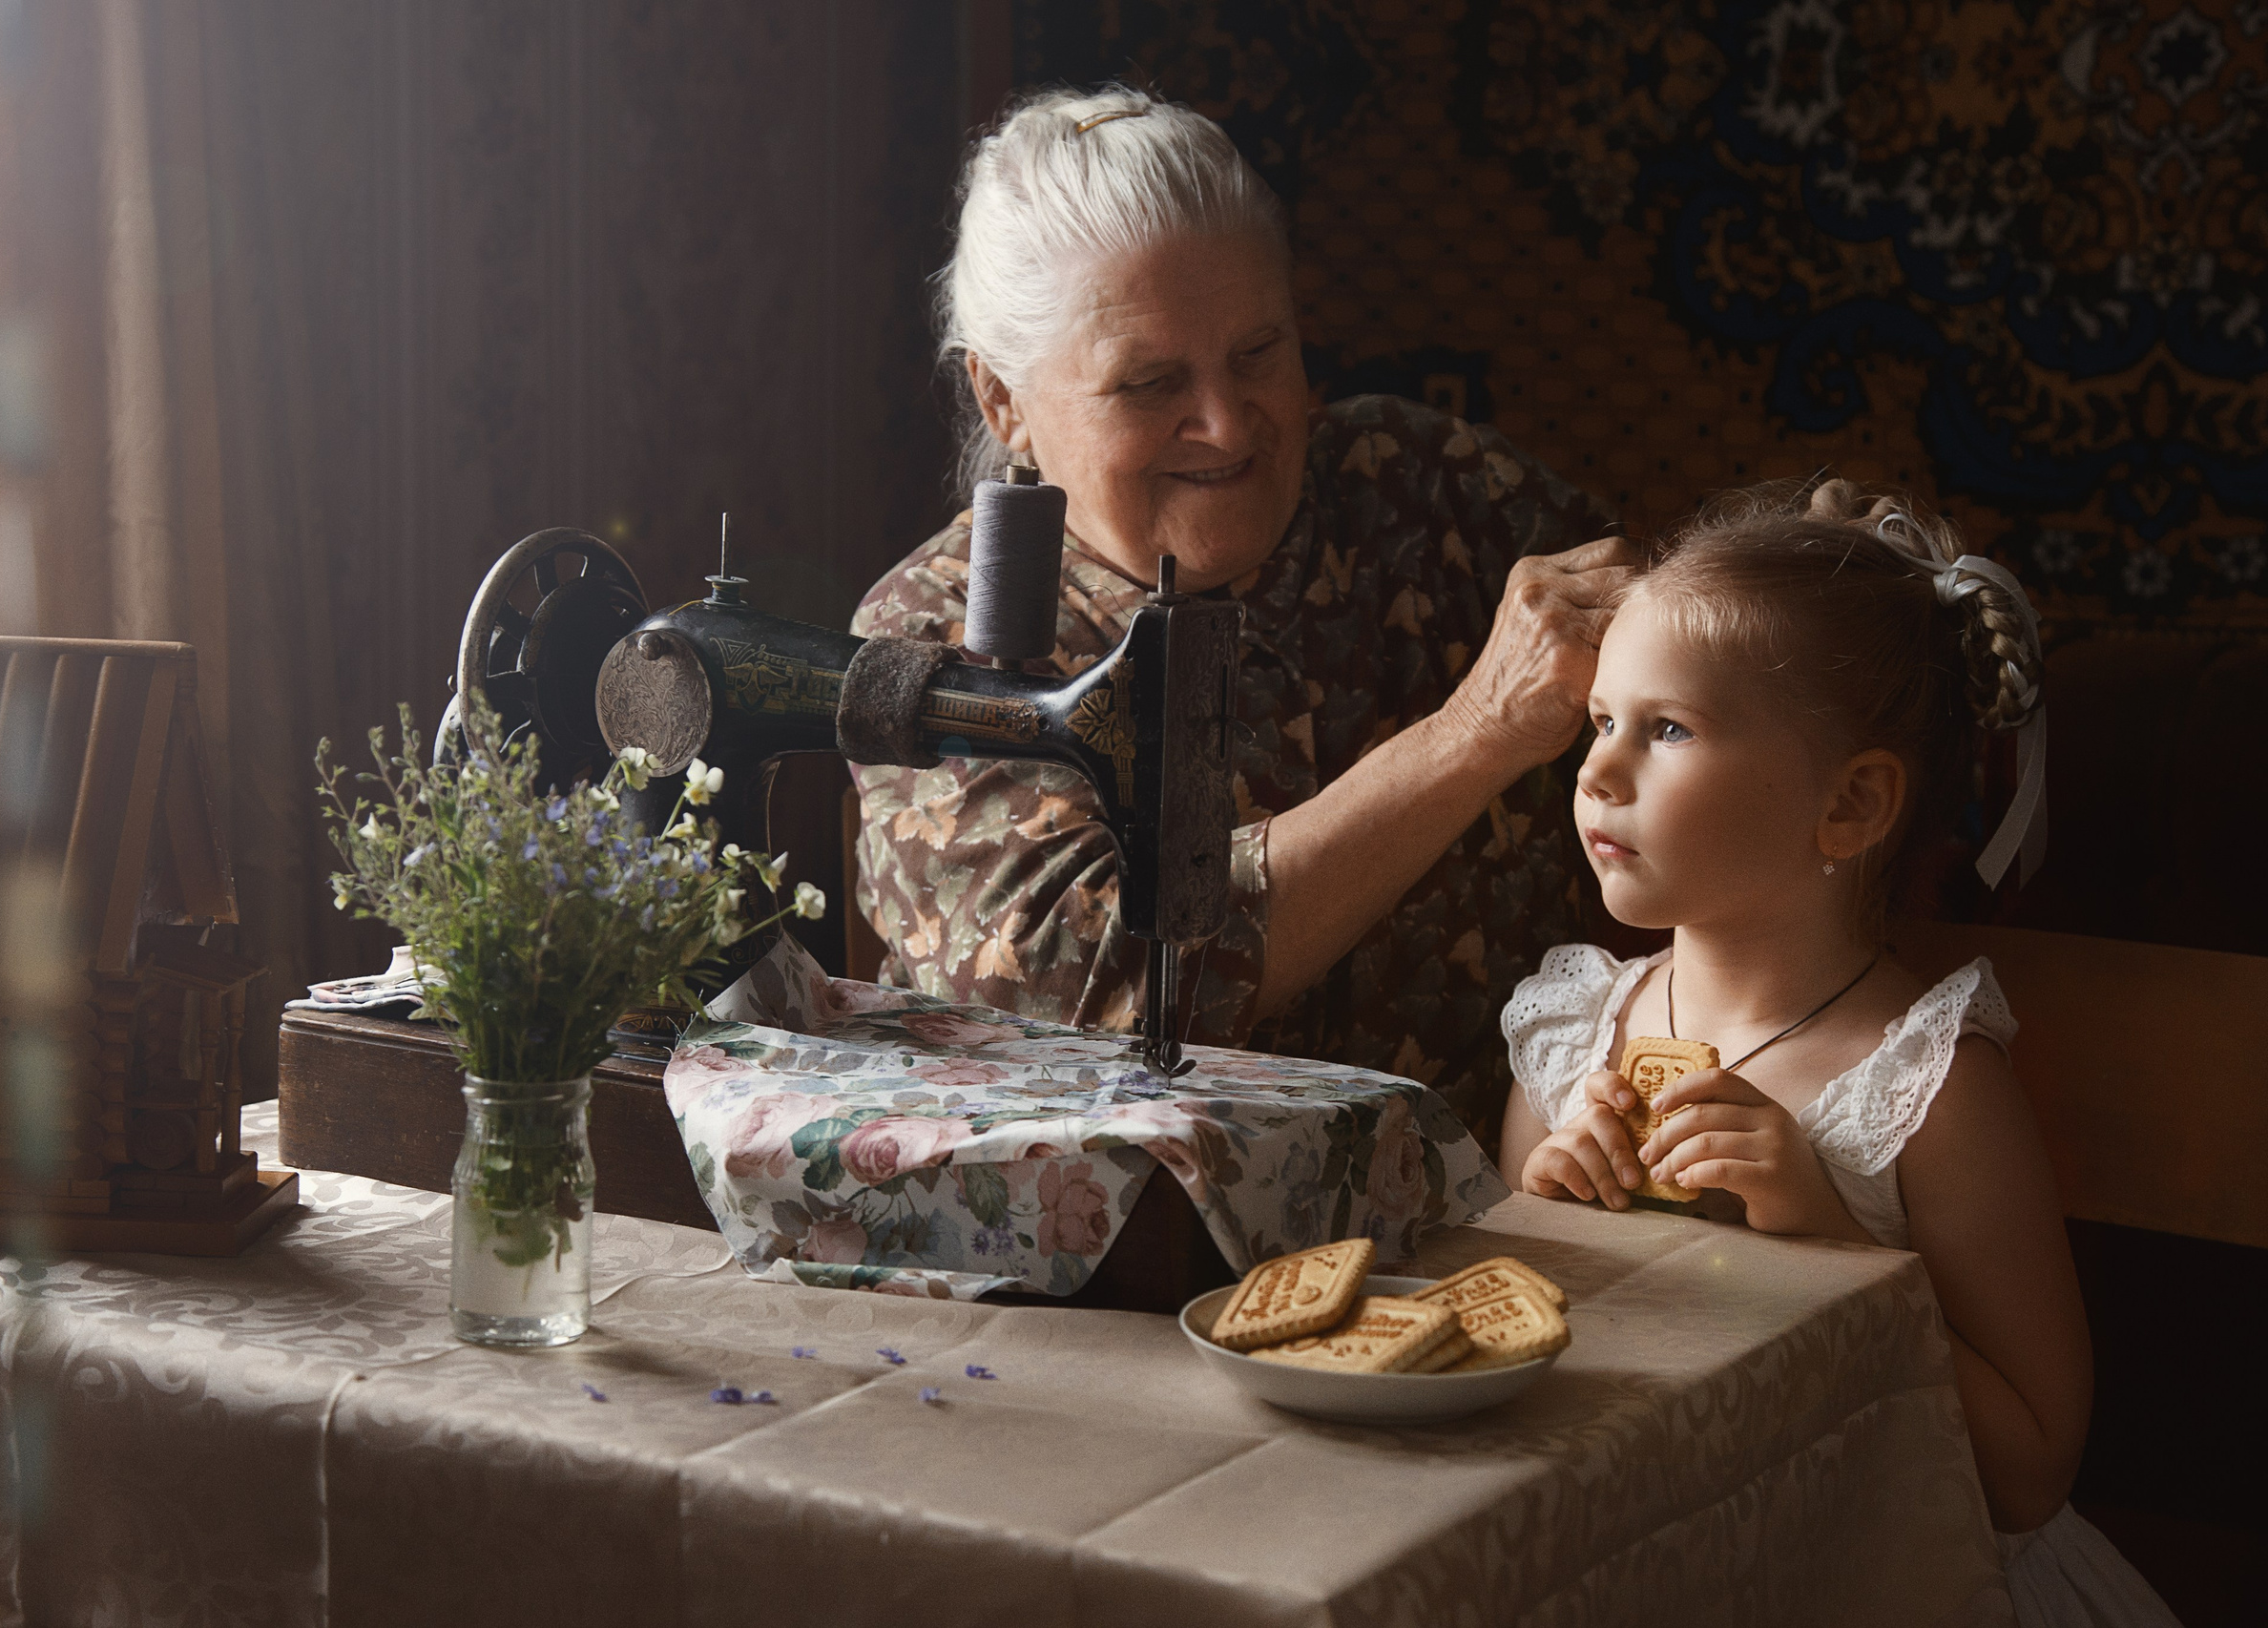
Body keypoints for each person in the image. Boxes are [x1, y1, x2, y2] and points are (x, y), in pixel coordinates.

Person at [851, 84, 1633, 1129]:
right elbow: (1090, 988)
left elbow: (1708, 653)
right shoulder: (933, 636)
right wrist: (1473, 734)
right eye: (1149, 383)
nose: (1225, 424)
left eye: (1259, 353)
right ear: (1003, 400)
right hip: (1134, 1262)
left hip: (1512, 1210)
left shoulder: (1430, 490)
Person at [1497, 480, 2177, 1624]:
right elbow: (1545, 1352)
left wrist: (1833, 1242)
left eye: (1666, 729)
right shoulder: (1573, 1035)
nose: (1597, 771)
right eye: (1600, 720)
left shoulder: (1928, 1085)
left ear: (1851, 804)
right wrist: (1545, 1212)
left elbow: (2030, 1470)